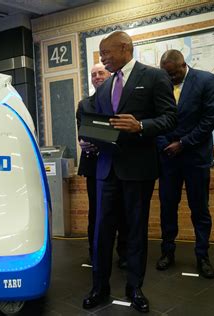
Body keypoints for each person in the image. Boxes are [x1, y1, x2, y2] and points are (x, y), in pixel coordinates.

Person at [82, 31, 176, 313]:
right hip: (105, 170)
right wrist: (89, 135)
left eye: (106, 52)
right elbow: (99, 121)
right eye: (100, 54)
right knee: (102, 233)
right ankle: (99, 287)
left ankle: (135, 288)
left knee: (135, 231)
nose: (103, 58)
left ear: (124, 47)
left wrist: (142, 126)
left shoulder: (154, 77)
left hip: (138, 170)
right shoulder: (105, 86)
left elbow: (170, 118)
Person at [156, 49, 214, 278]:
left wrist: (182, 143)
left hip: (196, 157)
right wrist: (165, 144)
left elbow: (209, 119)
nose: (170, 79)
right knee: (167, 208)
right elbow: (157, 118)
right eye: (166, 75)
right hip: (168, 159)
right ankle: (167, 252)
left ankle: (202, 256)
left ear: (183, 65)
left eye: (173, 74)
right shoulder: (161, 82)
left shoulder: (206, 80)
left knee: (200, 210)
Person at [76, 63, 127, 269]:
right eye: (93, 74)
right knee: (96, 213)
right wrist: (83, 141)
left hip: (120, 164)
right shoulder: (84, 105)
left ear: (111, 76)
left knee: (123, 212)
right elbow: (82, 131)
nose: (97, 77)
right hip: (94, 165)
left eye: (101, 73)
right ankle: (95, 253)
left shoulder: (122, 101)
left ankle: (123, 254)